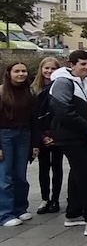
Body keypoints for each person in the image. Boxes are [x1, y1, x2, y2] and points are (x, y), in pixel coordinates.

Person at [49, 50, 87, 236]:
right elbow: (64, 112)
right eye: (83, 64)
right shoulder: (62, 83)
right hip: (70, 136)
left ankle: (73, 214)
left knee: (78, 173)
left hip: (84, 135)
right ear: (71, 65)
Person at [0, 62, 39, 227]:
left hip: (24, 134)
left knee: (21, 175)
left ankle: (20, 208)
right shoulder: (1, 92)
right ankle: (4, 214)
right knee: (5, 176)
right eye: (17, 71)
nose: (21, 74)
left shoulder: (28, 92)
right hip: (5, 135)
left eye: (23, 71)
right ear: (9, 73)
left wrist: (35, 143)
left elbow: (34, 119)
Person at [31, 57, 62, 215]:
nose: (49, 72)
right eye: (47, 68)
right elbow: (32, 116)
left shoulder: (60, 86)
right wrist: (42, 136)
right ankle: (45, 198)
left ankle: (55, 198)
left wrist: (55, 135)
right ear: (41, 69)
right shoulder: (33, 89)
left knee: (57, 166)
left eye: (53, 69)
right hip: (40, 134)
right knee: (43, 167)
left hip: (57, 133)